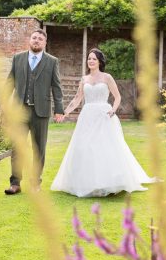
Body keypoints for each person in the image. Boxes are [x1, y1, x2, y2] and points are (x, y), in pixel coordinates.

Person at [51, 48, 156, 197]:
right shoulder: (84, 79)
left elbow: (118, 97)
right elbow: (77, 99)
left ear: (99, 61)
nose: (91, 61)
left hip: (104, 115)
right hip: (87, 116)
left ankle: (109, 181)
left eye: (94, 59)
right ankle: (86, 182)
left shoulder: (107, 77)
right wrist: (64, 113)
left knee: (105, 147)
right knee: (84, 147)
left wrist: (113, 110)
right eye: (89, 58)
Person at [5, 29, 64, 195]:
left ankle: (35, 184)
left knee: (39, 149)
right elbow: (10, 81)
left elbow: (56, 86)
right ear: (29, 40)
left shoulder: (52, 61)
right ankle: (15, 183)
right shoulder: (18, 58)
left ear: (45, 43)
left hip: (41, 112)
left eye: (40, 39)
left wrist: (59, 108)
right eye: (34, 38)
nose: (36, 40)